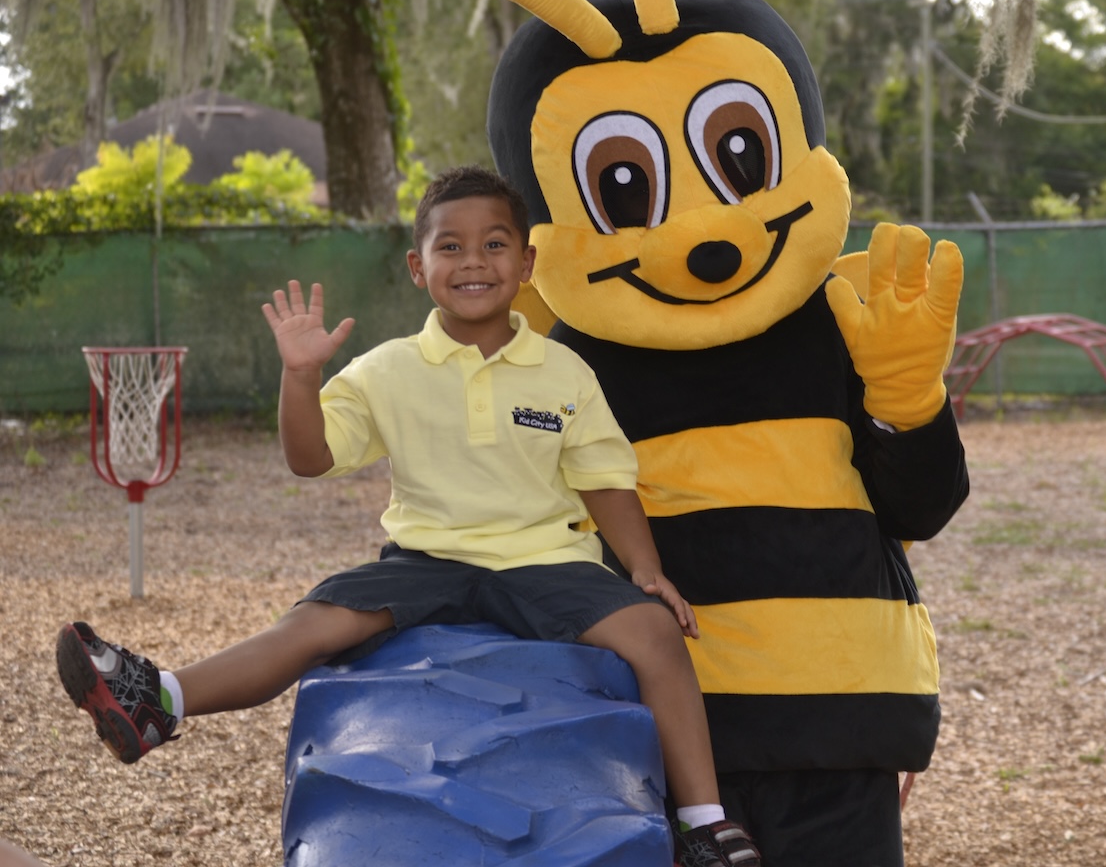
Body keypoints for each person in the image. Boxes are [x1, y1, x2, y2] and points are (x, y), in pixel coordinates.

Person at [56, 165, 760, 867]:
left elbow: (605, 482)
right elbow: (310, 456)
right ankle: (159, 701)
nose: (474, 261)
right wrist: (301, 376)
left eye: (494, 244)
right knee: (311, 626)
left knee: (656, 635)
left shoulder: (563, 371)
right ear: (417, 268)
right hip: (428, 563)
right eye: (449, 247)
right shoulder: (388, 368)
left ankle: (703, 824)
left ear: (527, 263)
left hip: (546, 564)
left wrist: (644, 569)